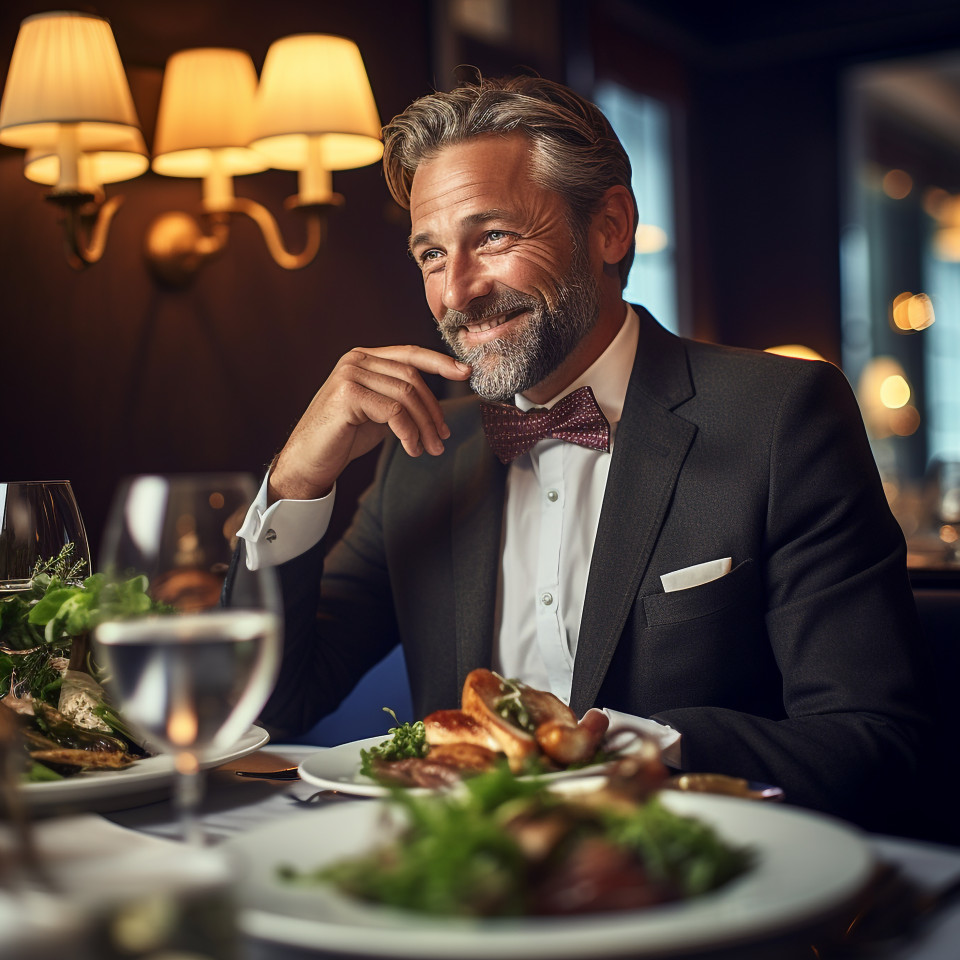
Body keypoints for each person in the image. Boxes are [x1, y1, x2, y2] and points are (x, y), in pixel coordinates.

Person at [237, 75, 932, 832]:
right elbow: (268, 706)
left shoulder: (782, 416)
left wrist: (638, 753)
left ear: (610, 226)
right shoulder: (425, 452)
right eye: (432, 254)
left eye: (493, 237)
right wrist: (297, 478)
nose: (456, 293)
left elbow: (876, 746)